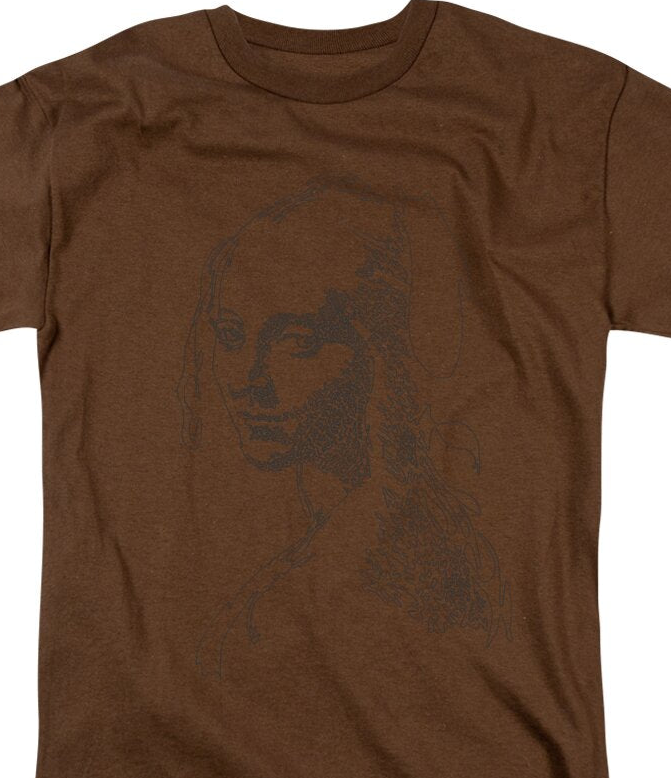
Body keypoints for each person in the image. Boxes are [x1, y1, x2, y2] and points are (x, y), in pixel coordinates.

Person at [177, 173, 511, 679]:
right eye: (230, 335)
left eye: (296, 341)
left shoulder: (426, 561)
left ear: (382, 353)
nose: (249, 379)